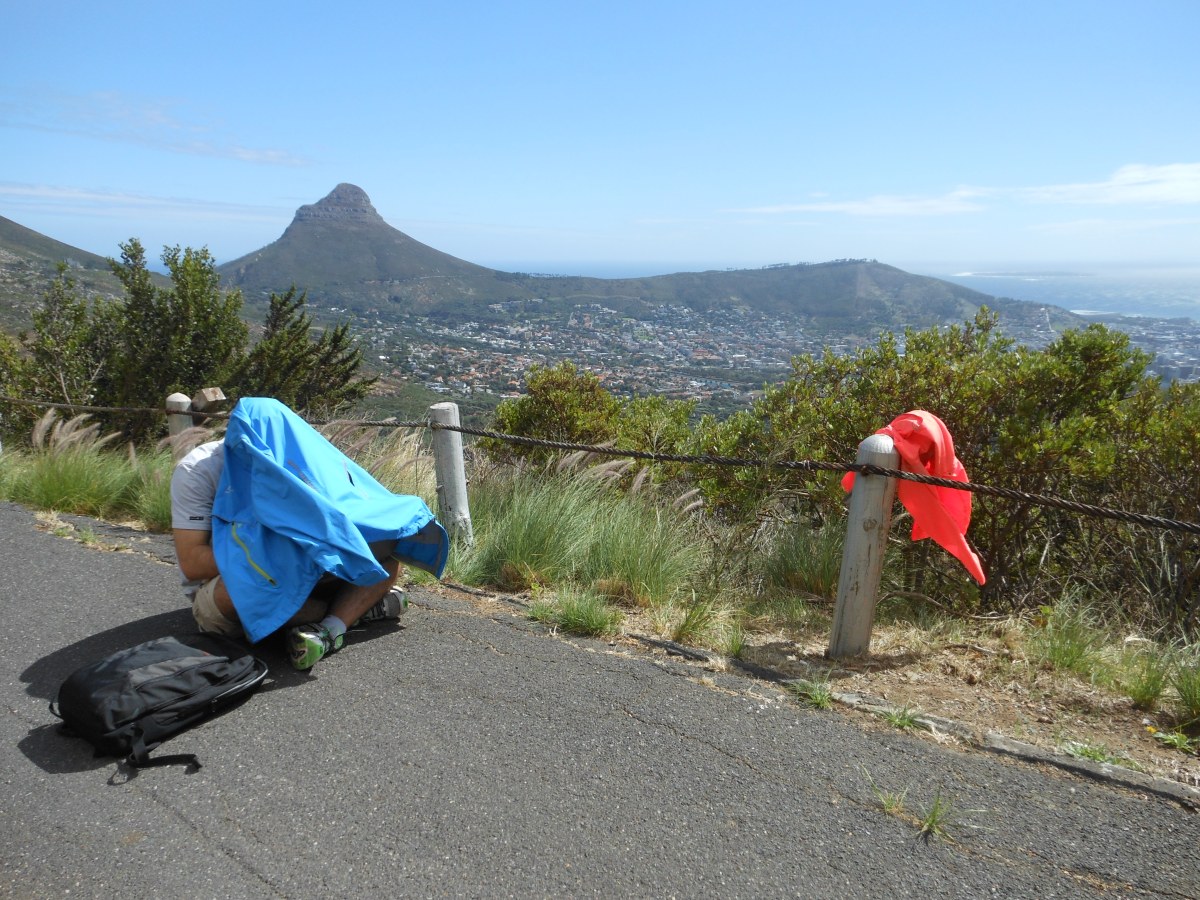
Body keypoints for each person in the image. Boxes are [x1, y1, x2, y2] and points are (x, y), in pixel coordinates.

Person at [169, 398, 448, 671]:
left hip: (298, 570)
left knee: (386, 558)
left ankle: (330, 631)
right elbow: (192, 564)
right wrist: (276, 554)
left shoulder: (293, 453)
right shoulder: (197, 471)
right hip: (237, 584)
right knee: (240, 590)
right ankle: (350, 612)